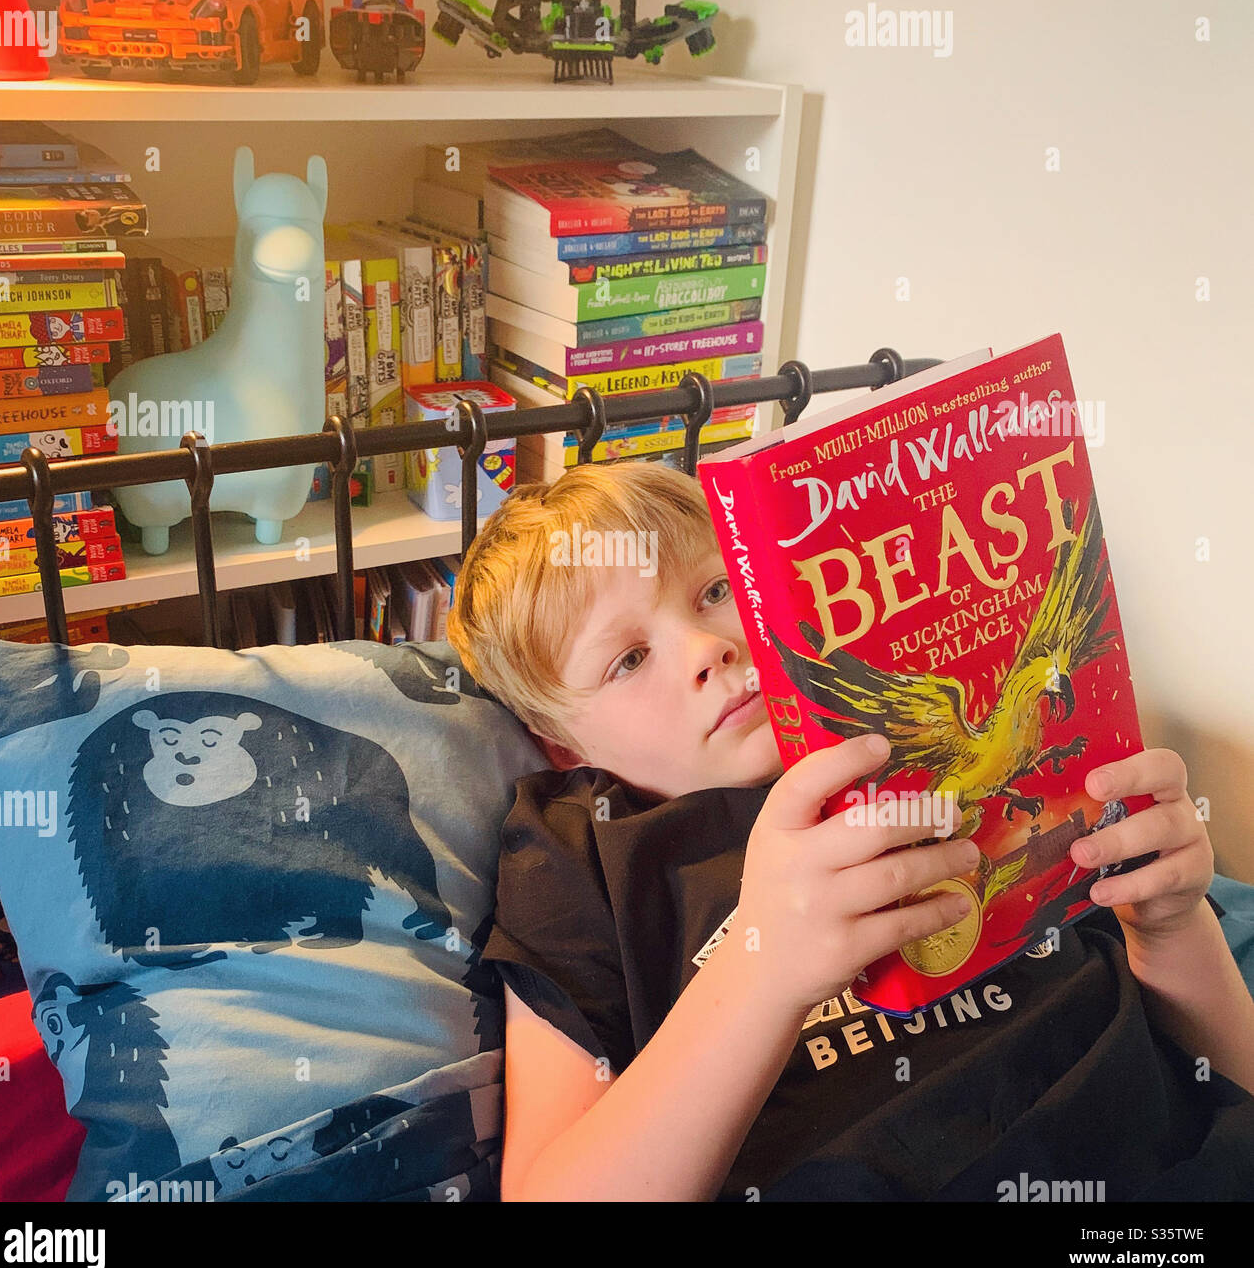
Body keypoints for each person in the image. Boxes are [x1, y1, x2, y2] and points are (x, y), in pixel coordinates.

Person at [445, 460, 1254, 1201]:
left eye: (715, 591)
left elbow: (1233, 1076)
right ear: (566, 745)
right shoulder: (581, 846)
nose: (710, 649)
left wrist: (1172, 923)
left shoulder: (906, 717)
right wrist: (763, 972)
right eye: (627, 659)